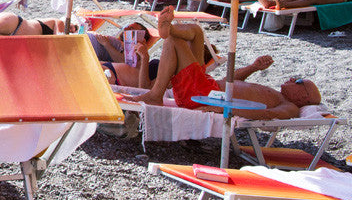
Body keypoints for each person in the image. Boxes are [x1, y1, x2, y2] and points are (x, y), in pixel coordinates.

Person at [129, 8, 315, 119]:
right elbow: (229, 81)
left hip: (201, 96)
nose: (293, 78)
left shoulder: (289, 106)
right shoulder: (274, 93)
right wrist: (253, 67)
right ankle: (169, 29)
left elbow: (267, 115)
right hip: (207, 86)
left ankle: (155, 94)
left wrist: (221, 109)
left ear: (304, 98)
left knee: (173, 41)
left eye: (298, 81)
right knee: (196, 31)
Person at [0, 11, 67, 36]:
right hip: (16, 23)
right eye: (75, 26)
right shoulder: (59, 22)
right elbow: (59, 40)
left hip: (12, 36)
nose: (73, 29)